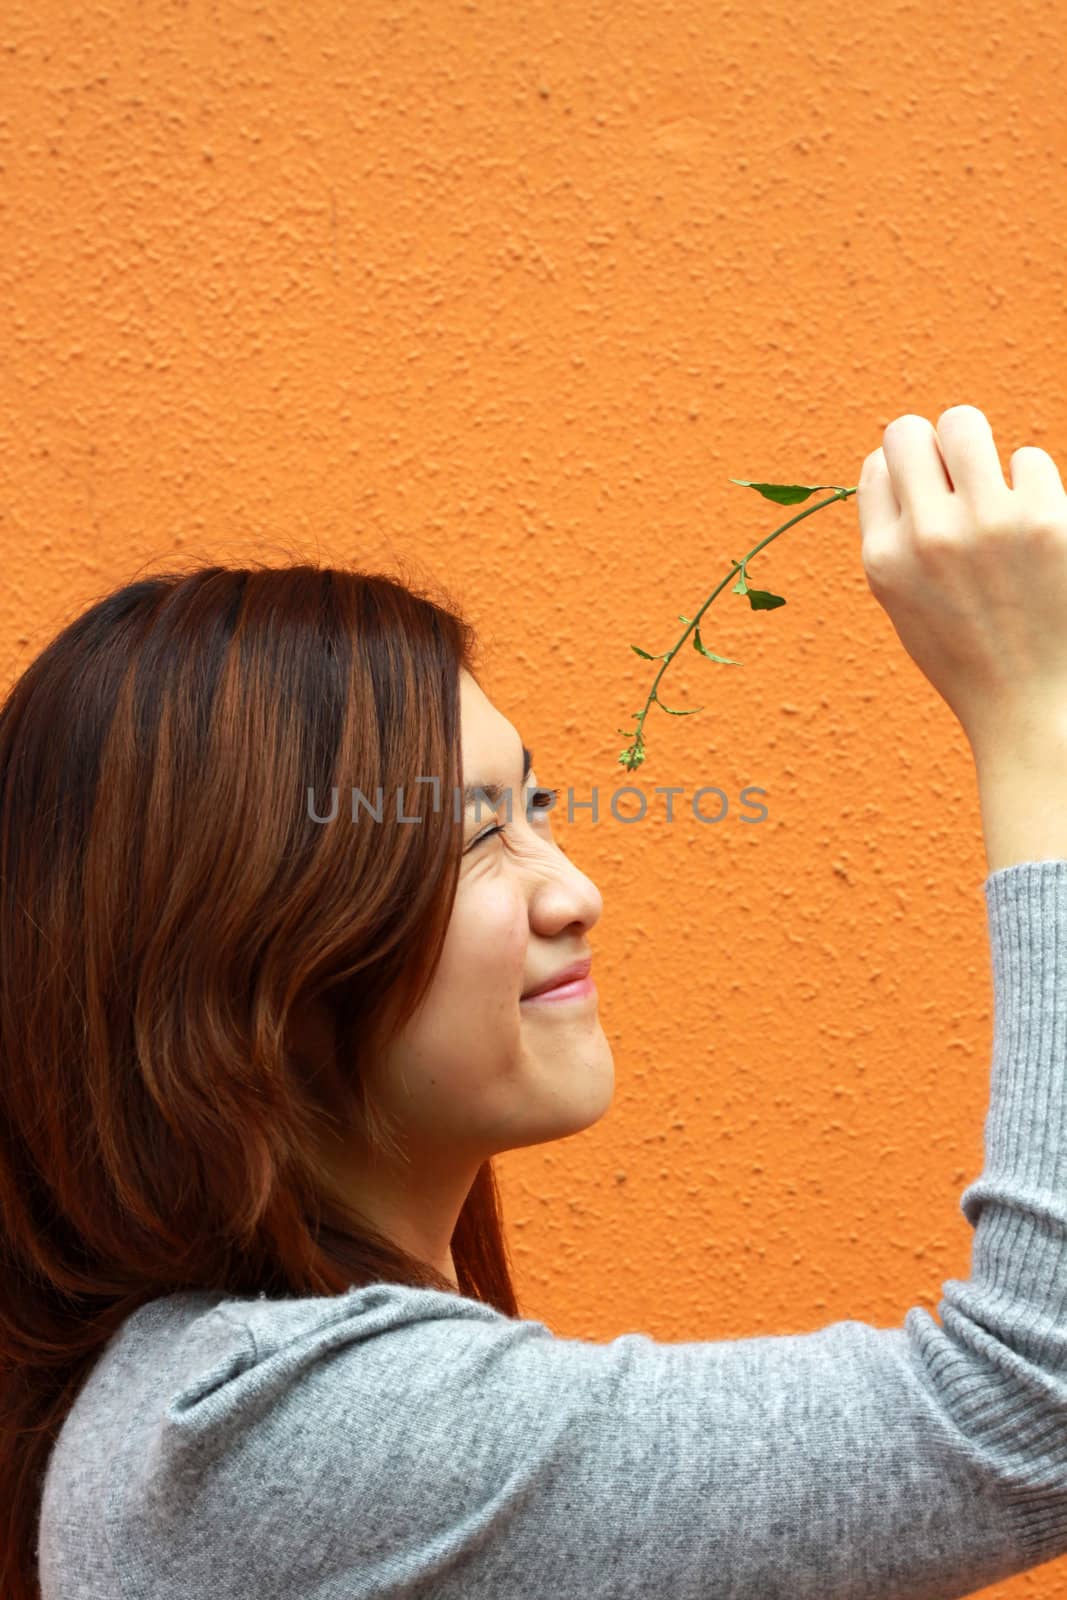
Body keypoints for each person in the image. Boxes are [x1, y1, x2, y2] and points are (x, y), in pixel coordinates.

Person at [4, 404, 1067, 1599]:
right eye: (473, 834)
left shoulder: (224, 1411)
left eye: (535, 808)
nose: (573, 890)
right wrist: (1034, 712)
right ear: (249, 944)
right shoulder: (268, 1432)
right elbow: (1034, 1405)